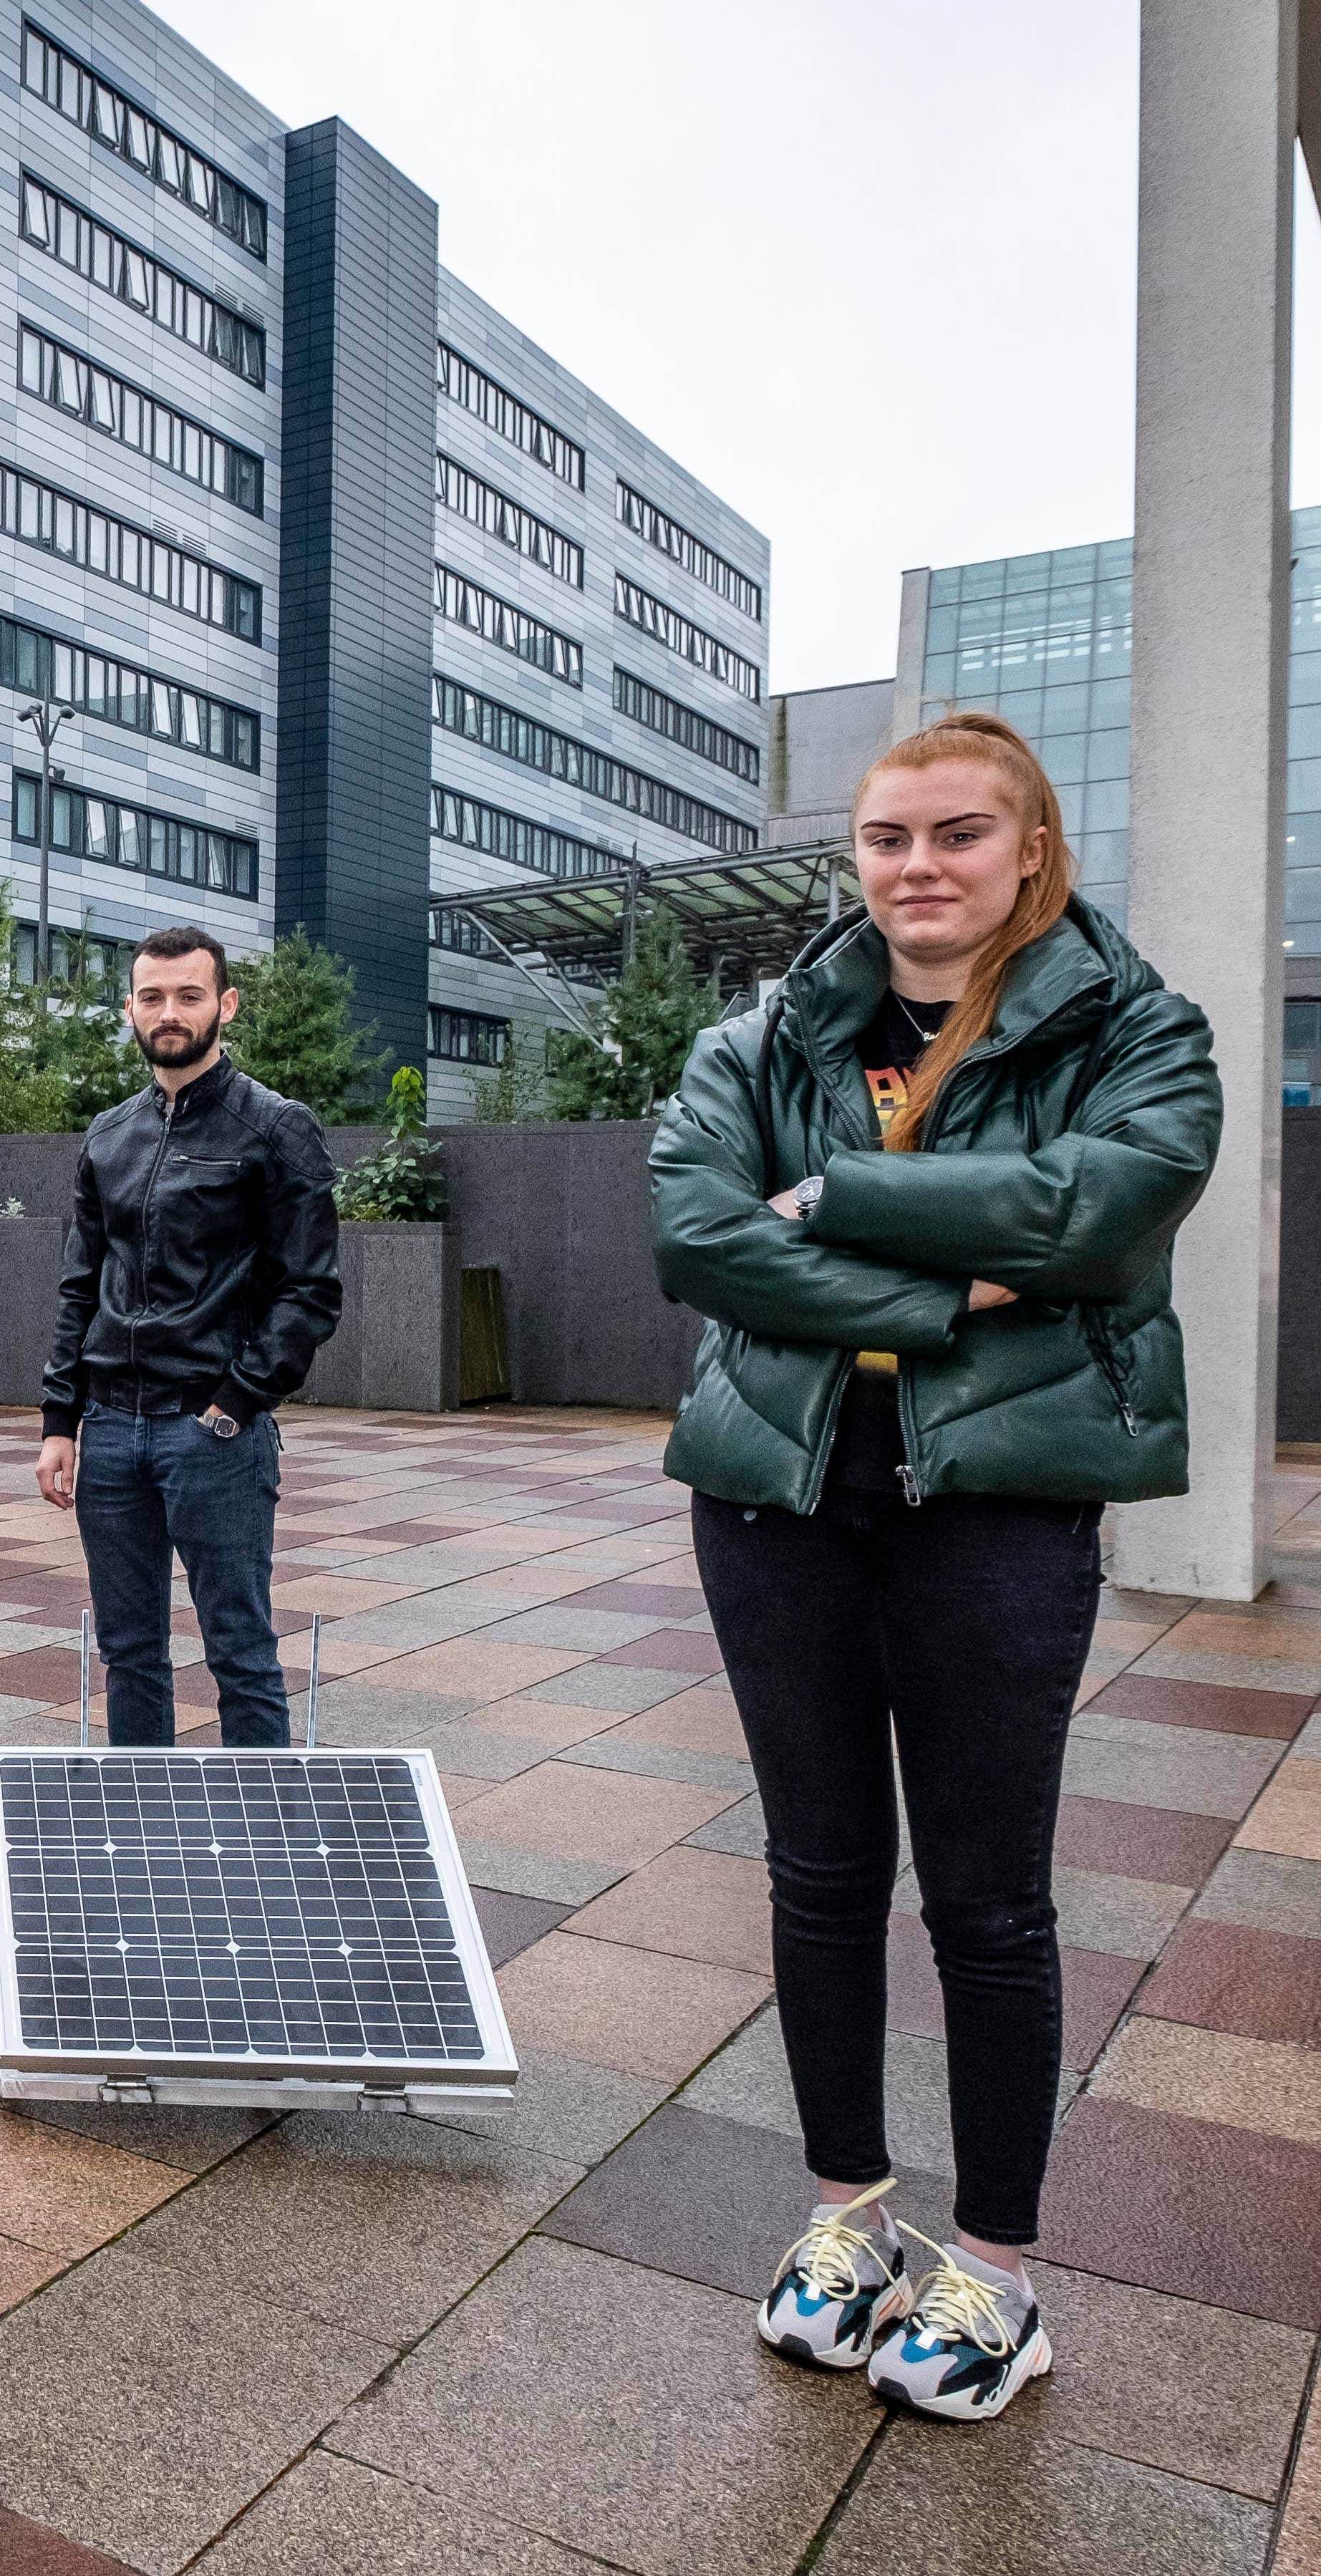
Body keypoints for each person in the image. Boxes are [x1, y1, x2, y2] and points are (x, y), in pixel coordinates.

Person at [651, 712, 1214, 2423]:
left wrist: (830, 1205)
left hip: (997, 1510)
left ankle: (998, 2270)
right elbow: (698, 1234)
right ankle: (844, 2223)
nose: (918, 867)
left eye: (958, 835)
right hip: (780, 1497)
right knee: (821, 1872)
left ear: (1029, 848)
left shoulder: (1141, 1029)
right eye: (889, 838)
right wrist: (949, 1280)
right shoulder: (760, 1035)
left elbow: (1099, 1214)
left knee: (987, 1901)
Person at [35, 926, 340, 1747]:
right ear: (131, 1008)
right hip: (109, 1431)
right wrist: (60, 1421)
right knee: (129, 1651)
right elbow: (79, 1285)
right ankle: (144, 1837)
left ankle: (262, 1846)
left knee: (239, 1649)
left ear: (225, 1004)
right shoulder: (108, 1135)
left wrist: (234, 1403)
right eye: (153, 997)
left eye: (189, 995)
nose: (170, 1013)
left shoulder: (276, 1128)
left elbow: (310, 1291)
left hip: (213, 1432)